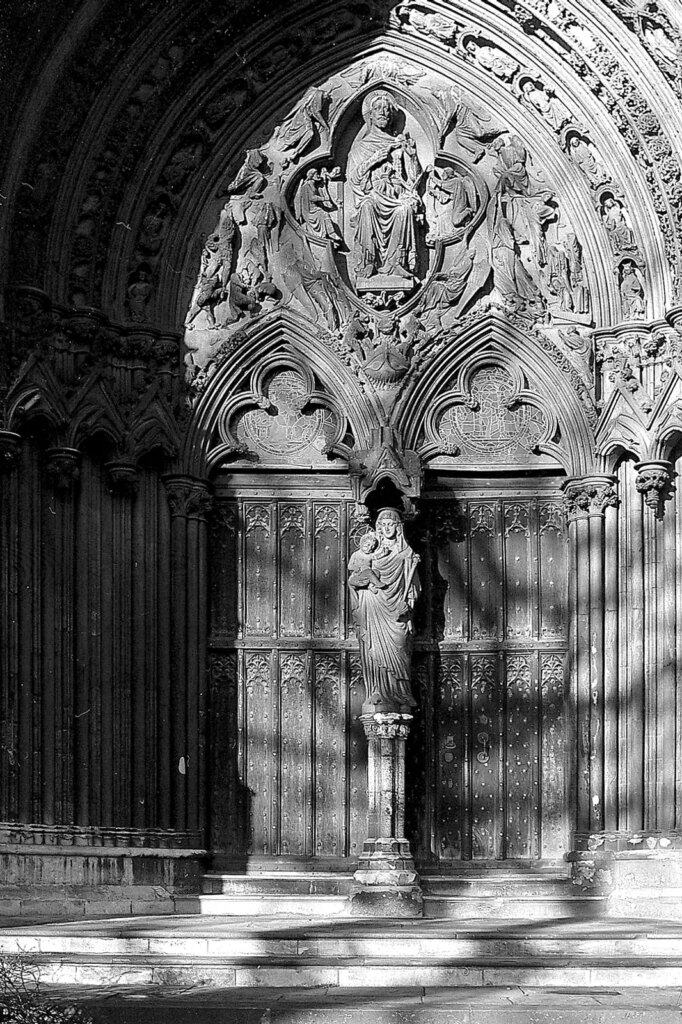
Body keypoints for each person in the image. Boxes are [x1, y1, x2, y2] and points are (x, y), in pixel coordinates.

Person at [348, 507, 420, 714]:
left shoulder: (407, 554)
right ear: (378, 528)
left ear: (398, 527)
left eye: (391, 524)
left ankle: (400, 693)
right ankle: (377, 691)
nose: (387, 528)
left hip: (396, 610)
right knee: (374, 652)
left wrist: (409, 604)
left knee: (399, 645)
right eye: (383, 524)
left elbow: (413, 586)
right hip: (372, 606)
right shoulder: (368, 553)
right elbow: (353, 579)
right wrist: (360, 583)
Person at [347, 90, 422, 280]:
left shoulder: (398, 145)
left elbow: (412, 180)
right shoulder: (360, 147)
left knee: (404, 209)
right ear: (370, 115)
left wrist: (411, 157)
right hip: (372, 197)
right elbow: (354, 180)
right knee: (367, 206)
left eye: (387, 109)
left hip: (395, 195)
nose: (383, 112)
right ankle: (368, 262)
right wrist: (373, 160)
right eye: (378, 108)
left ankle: (396, 263)